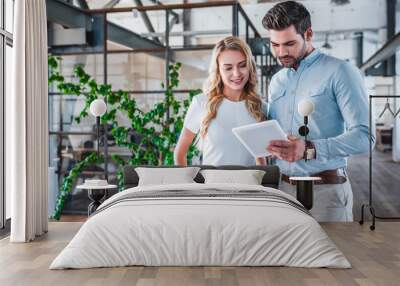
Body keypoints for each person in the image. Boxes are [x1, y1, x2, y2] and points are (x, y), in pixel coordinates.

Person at [262, 1, 374, 221]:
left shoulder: (341, 71)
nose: (281, 52)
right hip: (282, 193)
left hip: (326, 194)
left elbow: (365, 136)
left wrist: (308, 149)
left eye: (289, 44)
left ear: (309, 34)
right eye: (274, 45)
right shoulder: (276, 81)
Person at [174, 36, 267, 166]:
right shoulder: (202, 103)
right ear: (218, 70)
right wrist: (189, 184)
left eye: (242, 65)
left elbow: (260, 159)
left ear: (250, 66)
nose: (236, 74)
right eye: (228, 68)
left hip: (249, 185)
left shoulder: (260, 107)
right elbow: (180, 154)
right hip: (212, 185)